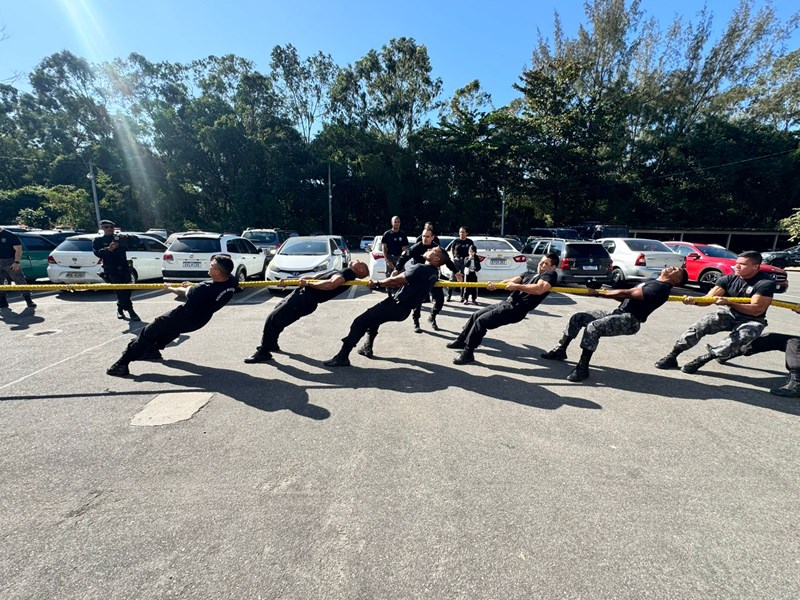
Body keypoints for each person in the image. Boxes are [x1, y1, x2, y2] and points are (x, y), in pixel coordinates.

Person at [541, 267, 684, 382]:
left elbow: (628, 293)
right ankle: (561, 350)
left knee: (593, 327)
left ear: (676, 280)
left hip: (630, 320)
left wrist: (598, 293)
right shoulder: (652, 282)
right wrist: (601, 292)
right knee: (578, 318)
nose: (672, 267)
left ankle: (582, 368)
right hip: (619, 312)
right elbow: (626, 297)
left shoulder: (661, 288)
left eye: (676, 270)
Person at [106, 255, 238, 377]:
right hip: (200, 320)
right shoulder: (231, 281)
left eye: (212, 265)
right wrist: (194, 287)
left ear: (217, 272)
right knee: (170, 331)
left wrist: (169, 288)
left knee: (150, 331)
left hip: (184, 316)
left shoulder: (203, 289)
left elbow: (183, 292)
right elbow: (207, 288)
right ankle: (152, 351)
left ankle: (122, 364)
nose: (209, 266)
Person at [654, 251, 776, 374]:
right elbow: (707, 300)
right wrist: (693, 301)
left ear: (756, 266)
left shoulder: (765, 283)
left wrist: (730, 302)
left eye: (742, 264)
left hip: (752, 319)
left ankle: (702, 360)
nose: (737, 266)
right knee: (700, 325)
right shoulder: (728, 279)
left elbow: (756, 310)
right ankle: (672, 356)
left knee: (744, 335)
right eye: (736, 263)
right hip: (729, 313)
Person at [323, 247, 447, 367]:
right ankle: (367, 347)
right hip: (403, 310)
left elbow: (397, 280)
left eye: (433, 250)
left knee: (360, 322)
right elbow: (413, 285)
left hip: (396, 306)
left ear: (436, 259)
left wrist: (377, 283)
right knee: (373, 319)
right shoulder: (434, 273)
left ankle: (342, 357)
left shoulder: (420, 268)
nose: (429, 249)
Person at [244, 260, 370, 363]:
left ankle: (264, 352)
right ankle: (271, 343)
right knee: (276, 315)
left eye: (359, 261)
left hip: (304, 300)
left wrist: (308, 284)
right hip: (301, 295)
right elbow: (315, 277)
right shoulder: (344, 271)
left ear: (360, 270)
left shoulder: (348, 273)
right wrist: (289, 281)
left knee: (273, 319)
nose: (355, 260)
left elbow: (331, 284)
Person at [446, 253, 559, 365]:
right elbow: (511, 281)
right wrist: (496, 285)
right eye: (541, 262)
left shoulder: (550, 274)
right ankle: (461, 340)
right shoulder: (529, 274)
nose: (541, 265)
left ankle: (468, 353)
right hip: (506, 303)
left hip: (516, 309)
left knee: (482, 321)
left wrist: (517, 287)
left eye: (546, 263)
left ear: (552, 267)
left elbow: (540, 289)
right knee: (476, 315)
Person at [395, 225, 462, 333]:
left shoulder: (436, 248)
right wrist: (396, 269)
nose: (424, 238)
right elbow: (404, 257)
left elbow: (447, 260)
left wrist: (456, 272)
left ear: (432, 237)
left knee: (440, 300)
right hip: (419, 278)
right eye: (423, 236)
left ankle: (432, 317)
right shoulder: (416, 247)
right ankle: (416, 322)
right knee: (418, 301)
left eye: (427, 236)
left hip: (432, 277)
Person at [92, 220, 140, 321]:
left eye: (111, 227)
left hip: (125, 269)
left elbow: (137, 241)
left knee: (127, 291)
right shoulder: (98, 240)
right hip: (112, 270)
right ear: (102, 228)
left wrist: (127, 236)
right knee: (120, 291)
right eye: (106, 227)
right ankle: (131, 312)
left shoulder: (119, 238)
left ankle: (119, 308)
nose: (109, 229)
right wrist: (108, 249)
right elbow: (97, 253)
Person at [0, 226, 36, 309]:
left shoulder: (10, 235)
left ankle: (28, 300)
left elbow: (18, 250)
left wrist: (16, 262)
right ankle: (3, 301)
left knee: (20, 280)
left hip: (10, 261)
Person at [381, 216, 408, 298]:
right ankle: (389, 296)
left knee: (401, 276)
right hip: (390, 257)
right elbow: (384, 248)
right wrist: (387, 260)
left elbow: (405, 249)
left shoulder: (402, 235)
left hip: (399, 258)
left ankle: (400, 295)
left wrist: (402, 259)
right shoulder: (387, 234)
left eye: (398, 222)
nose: (397, 223)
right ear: (392, 223)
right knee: (389, 276)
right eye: (395, 221)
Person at [448, 227, 474, 302]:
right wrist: (453, 257)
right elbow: (452, 249)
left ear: (466, 233)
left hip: (465, 261)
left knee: (463, 279)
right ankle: (449, 295)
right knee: (452, 278)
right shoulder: (456, 241)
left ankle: (462, 296)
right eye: (460, 232)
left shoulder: (469, 242)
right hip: (457, 260)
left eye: (463, 232)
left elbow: (472, 251)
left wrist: (469, 258)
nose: (461, 234)